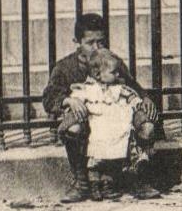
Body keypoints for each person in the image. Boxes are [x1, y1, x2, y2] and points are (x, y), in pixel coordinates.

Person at [42, 13, 160, 201]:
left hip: (117, 116)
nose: (97, 48)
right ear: (77, 42)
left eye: (101, 42)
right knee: (73, 128)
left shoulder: (112, 61)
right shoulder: (65, 67)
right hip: (88, 118)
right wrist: (68, 101)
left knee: (147, 127)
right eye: (90, 43)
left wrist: (144, 98)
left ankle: (137, 178)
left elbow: (132, 86)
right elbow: (49, 98)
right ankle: (81, 182)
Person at [59, 45, 162, 200]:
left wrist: (139, 103)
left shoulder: (119, 87)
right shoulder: (87, 88)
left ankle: (121, 182)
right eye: (113, 72)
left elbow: (132, 95)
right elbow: (76, 98)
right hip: (97, 126)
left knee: (116, 151)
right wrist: (70, 102)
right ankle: (90, 186)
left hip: (115, 126)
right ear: (97, 74)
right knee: (96, 156)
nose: (118, 74)